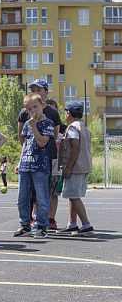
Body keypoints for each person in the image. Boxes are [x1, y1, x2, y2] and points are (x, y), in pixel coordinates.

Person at [13, 93, 54, 239]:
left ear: (42, 105)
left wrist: (34, 126)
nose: (33, 111)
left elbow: (42, 142)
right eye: (29, 109)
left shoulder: (47, 123)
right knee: (22, 198)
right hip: (25, 166)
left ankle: (42, 226)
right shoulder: (27, 124)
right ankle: (25, 225)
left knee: (42, 199)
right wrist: (20, 161)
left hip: (40, 167)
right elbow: (25, 143)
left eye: (35, 107)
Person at [56, 101, 95, 236]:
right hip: (85, 166)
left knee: (73, 196)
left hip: (75, 167)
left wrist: (68, 167)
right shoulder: (84, 127)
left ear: (68, 113)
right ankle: (72, 223)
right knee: (73, 195)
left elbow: (75, 148)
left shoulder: (72, 128)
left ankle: (86, 224)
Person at [45, 99, 67, 229]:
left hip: (55, 167)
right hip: (40, 166)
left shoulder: (63, 129)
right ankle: (36, 218)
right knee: (38, 194)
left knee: (53, 194)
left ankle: (51, 219)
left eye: (52, 110)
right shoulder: (38, 125)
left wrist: (60, 149)